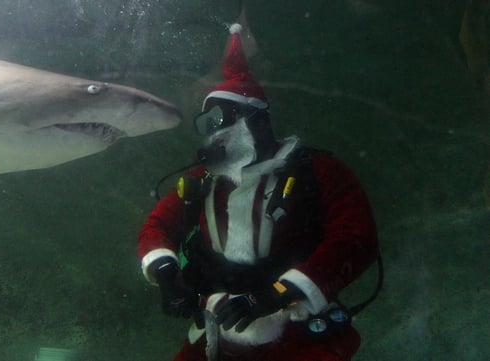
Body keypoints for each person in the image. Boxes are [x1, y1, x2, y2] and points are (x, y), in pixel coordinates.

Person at [137, 23, 379, 361]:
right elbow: (156, 227)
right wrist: (166, 276)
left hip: (298, 329)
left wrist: (277, 295)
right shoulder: (203, 180)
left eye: (222, 119)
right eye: (208, 123)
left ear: (256, 119)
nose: (214, 134)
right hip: (215, 329)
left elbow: (356, 238)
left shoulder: (319, 172)